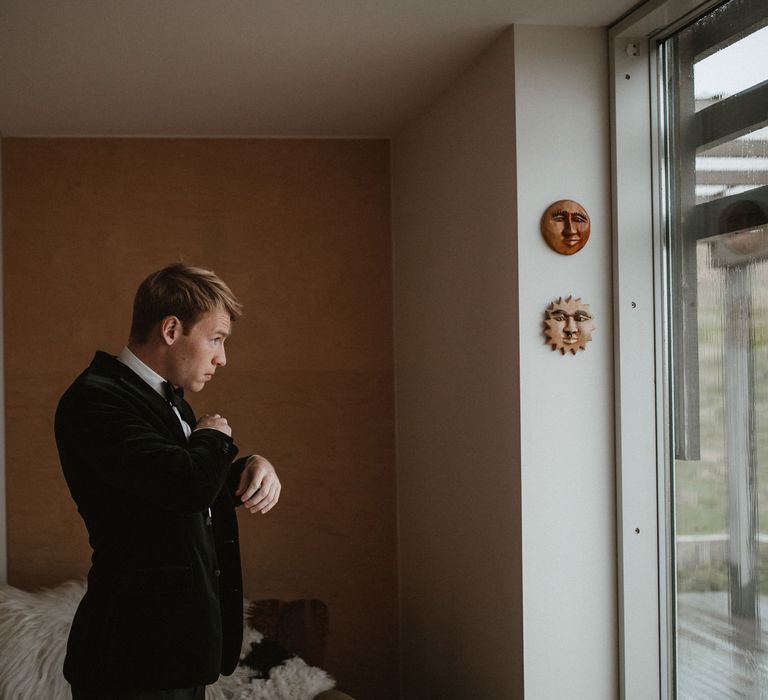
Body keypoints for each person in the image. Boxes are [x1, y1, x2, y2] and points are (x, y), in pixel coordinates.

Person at [55, 263, 281, 700]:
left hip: (176, 652)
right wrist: (215, 435)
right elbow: (183, 485)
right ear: (172, 329)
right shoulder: (96, 399)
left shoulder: (164, 400)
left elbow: (167, 482)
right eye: (216, 339)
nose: (222, 357)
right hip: (132, 656)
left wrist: (251, 465)